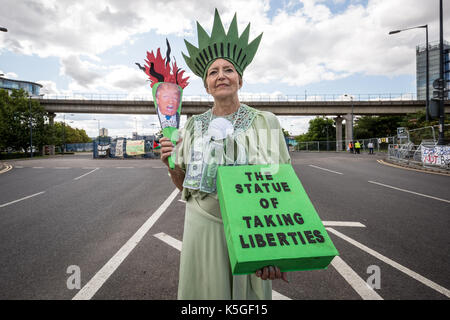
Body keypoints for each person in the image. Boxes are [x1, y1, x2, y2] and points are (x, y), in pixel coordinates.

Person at [160, 9, 290, 300]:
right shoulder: (193, 125)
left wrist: (274, 249)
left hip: (251, 230)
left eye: (228, 70)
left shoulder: (265, 121)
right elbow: (185, 187)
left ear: (239, 80)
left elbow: (281, 189)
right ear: (206, 85)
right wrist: (170, 165)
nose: (221, 76)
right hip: (201, 226)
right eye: (213, 72)